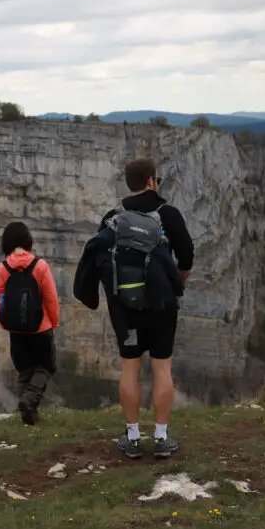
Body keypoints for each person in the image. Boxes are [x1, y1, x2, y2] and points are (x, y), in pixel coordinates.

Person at [73, 158, 194, 460]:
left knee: (130, 366)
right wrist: (175, 283)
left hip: (123, 306)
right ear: (152, 181)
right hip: (161, 304)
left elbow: (98, 257)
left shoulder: (113, 218)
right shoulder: (168, 214)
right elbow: (187, 255)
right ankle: (162, 437)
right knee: (161, 365)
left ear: (129, 184)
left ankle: (132, 436)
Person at [0, 221, 60, 425]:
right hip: (41, 328)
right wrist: (53, 321)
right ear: (28, 240)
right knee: (45, 367)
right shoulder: (40, 266)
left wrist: (6, 324)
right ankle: (29, 400)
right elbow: (50, 297)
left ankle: (27, 415)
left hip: (16, 330)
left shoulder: (3, 268)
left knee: (25, 370)